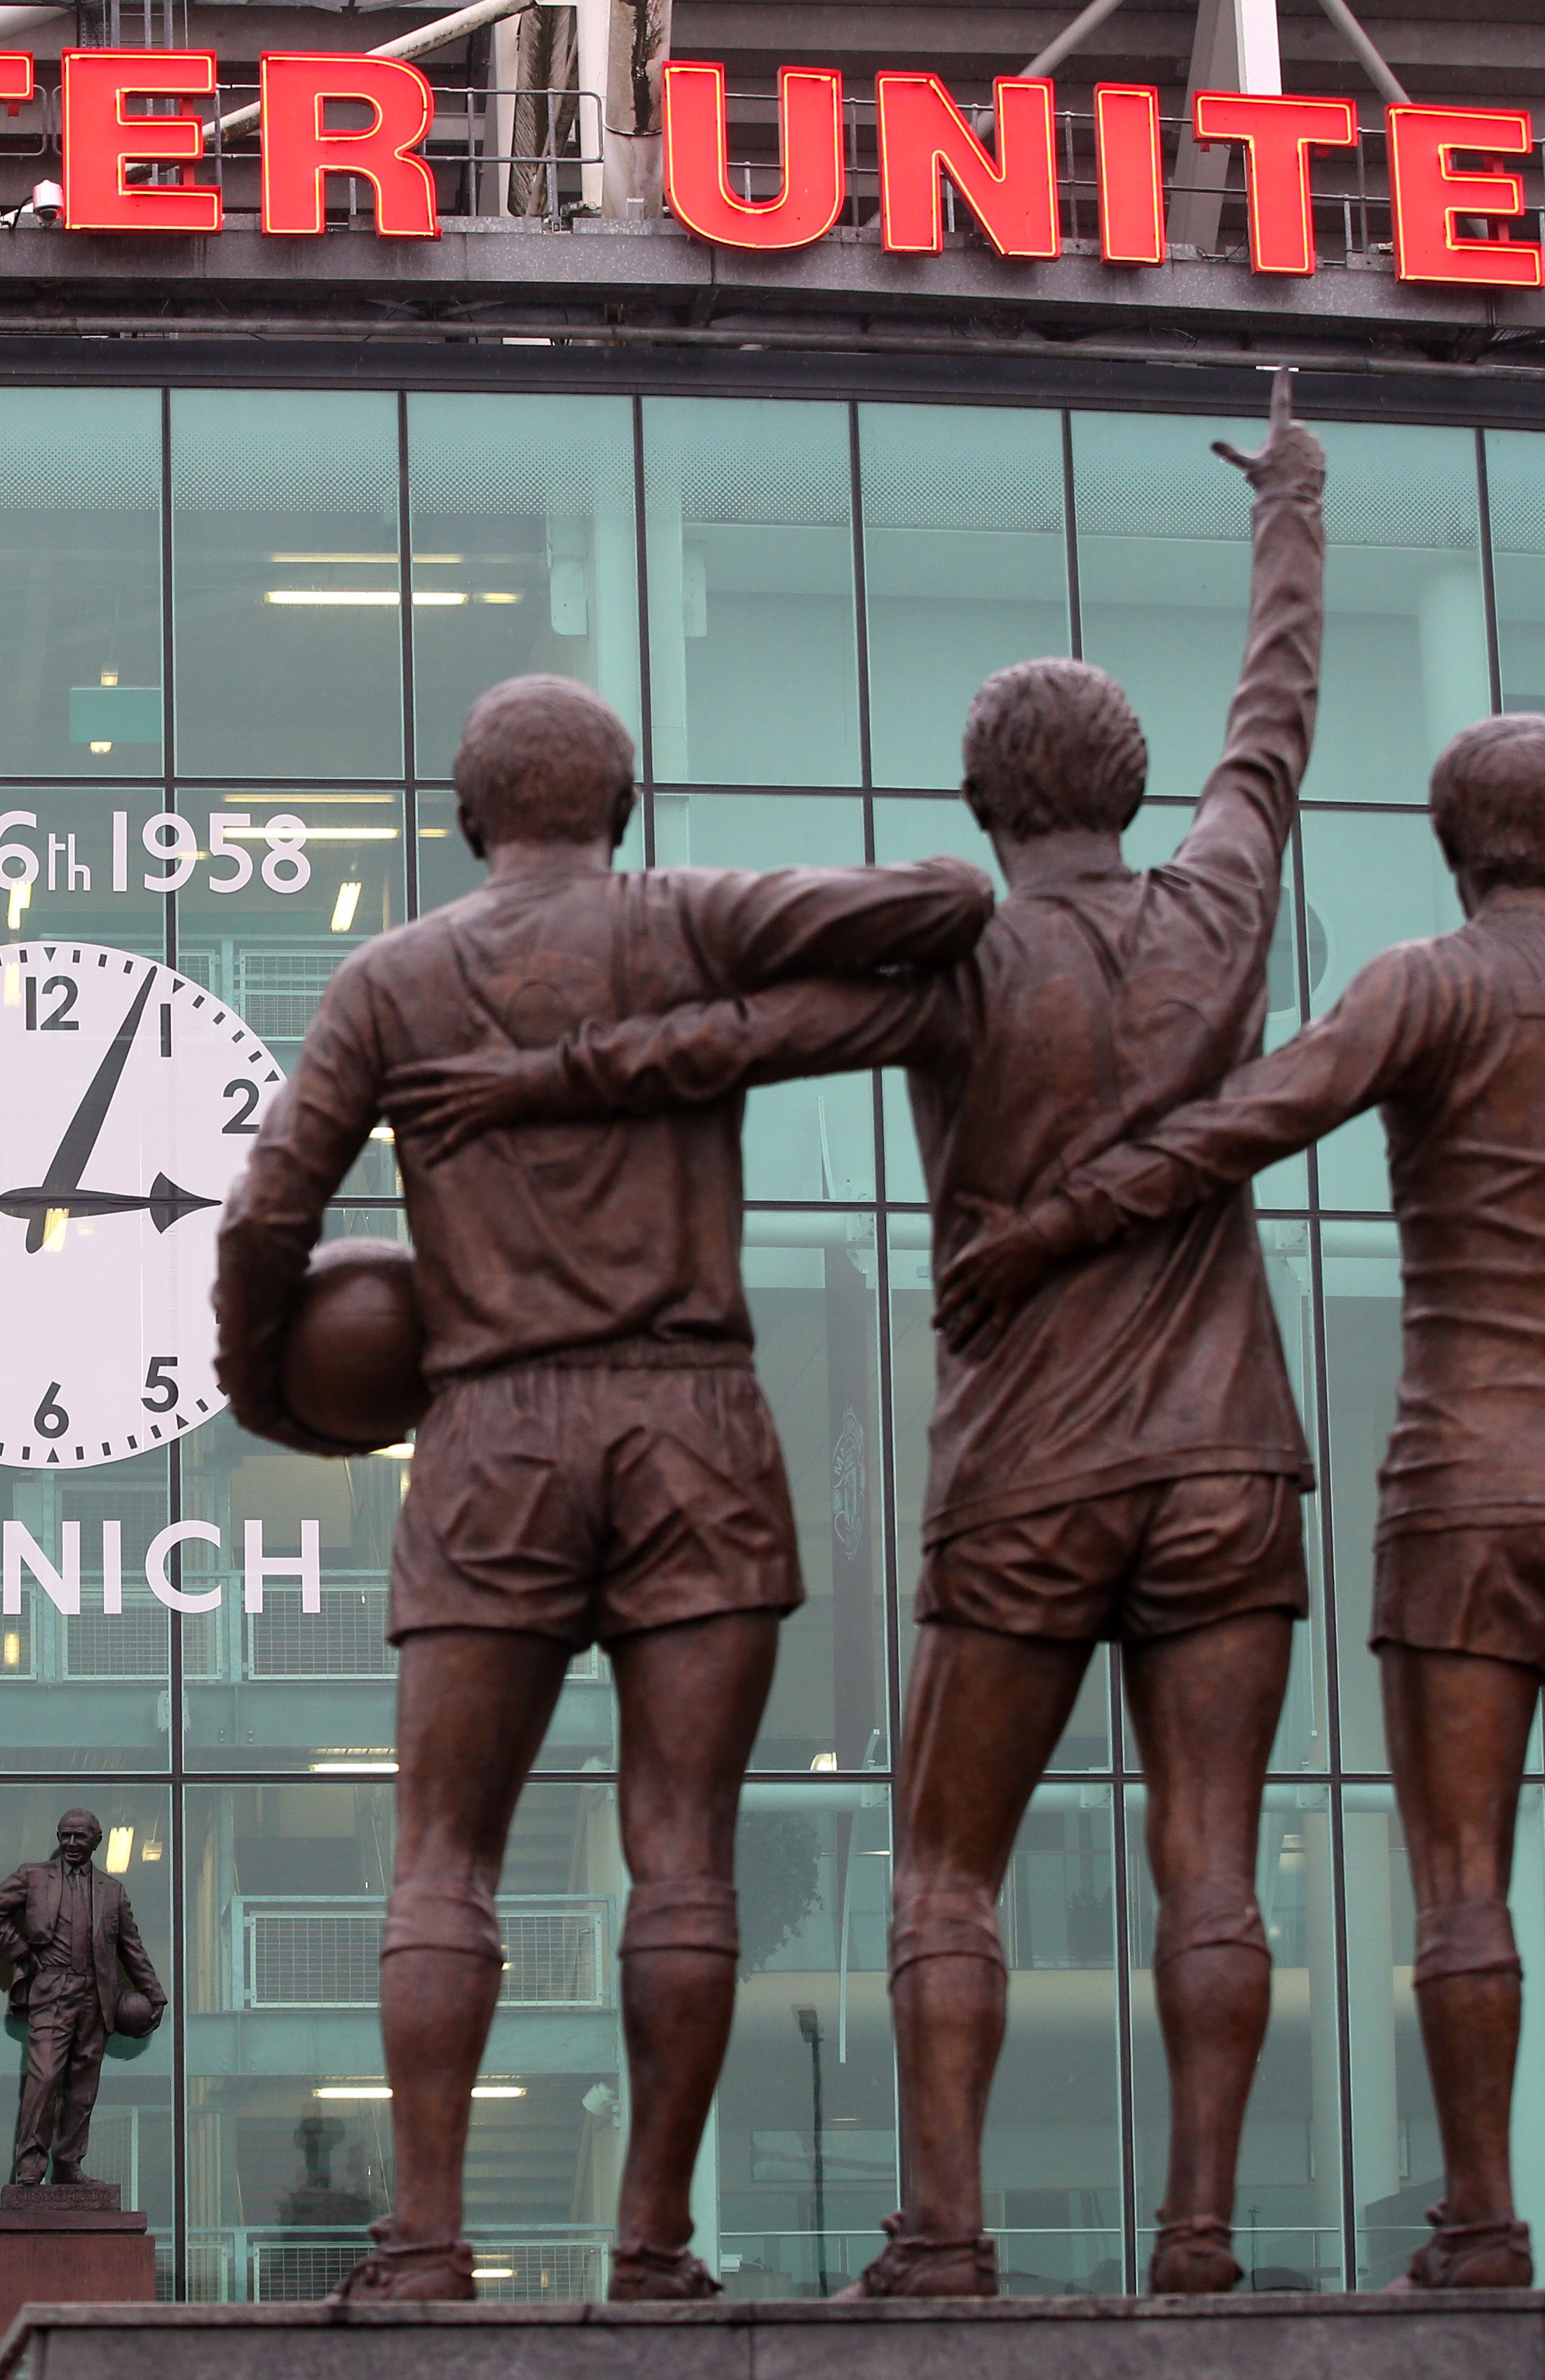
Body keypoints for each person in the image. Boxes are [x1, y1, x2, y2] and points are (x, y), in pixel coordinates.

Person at [379, 379, 1326, 2297]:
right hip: (1234, 1449)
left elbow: (746, 1041)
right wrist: (1290, 506)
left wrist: (538, 1071)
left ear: (984, 807)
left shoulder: (962, 958)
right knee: (1213, 1863)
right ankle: (1205, 2238)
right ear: (1132, 794)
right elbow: (1276, 724)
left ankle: (951, 2237)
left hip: (1026, 1475)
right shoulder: (1226, 902)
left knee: (945, 1870)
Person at [934, 713, 1545, 2288]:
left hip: (1465, 1497)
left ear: (1455, 839)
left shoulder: (1425, 983)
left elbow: (1244, 1126)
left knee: (1462, 1882)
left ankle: (1484, 2218)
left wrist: (1047, 1227)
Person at [215, 673, 993, 2302]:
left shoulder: (390, 975)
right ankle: (652, 2243)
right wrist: (680, 1033)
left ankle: (423, 2237)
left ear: (466, 813)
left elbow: (258, 1218)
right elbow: (945, 905)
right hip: (692, 1418)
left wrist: (267, 1399)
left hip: (489, 1427)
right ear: (620, 805)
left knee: (441, 1853)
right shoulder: (690, 916)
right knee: (682, 1850)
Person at [0, 1809, 166, 2189]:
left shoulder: (112, 1891)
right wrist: (22, 1954)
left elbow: (132, 1949)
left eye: (81, 1837)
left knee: (82, 2088)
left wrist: (154, 1995)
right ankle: (30, 2167)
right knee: (44, 2078)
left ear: (97, 1841)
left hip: (96, 1995)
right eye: (66, 1836)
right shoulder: (33, 1876)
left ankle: (67, 2165)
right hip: (52, 1991)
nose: (73, 1844)